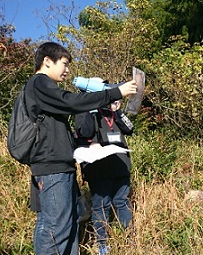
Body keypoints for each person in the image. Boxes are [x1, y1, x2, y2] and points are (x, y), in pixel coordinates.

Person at [24, 42, 138, 255]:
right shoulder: (40, 83)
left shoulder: (45, 89)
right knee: (55, 226)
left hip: (62, 165)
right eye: (64, 64)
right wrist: (114, 92)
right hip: (51, 168)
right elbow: (71, 103)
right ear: (47, 61)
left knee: (67, 223)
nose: (67, 70)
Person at [75, 98, 134, 255]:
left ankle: (128, 240)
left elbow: (129, 128)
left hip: (120, 166)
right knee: (101, 205)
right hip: (99, 169)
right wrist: (89, 108)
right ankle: (103, 245)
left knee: (121, 202)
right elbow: (84, 132)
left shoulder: (111, 112)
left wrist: (117, 111)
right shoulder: (83, 111)